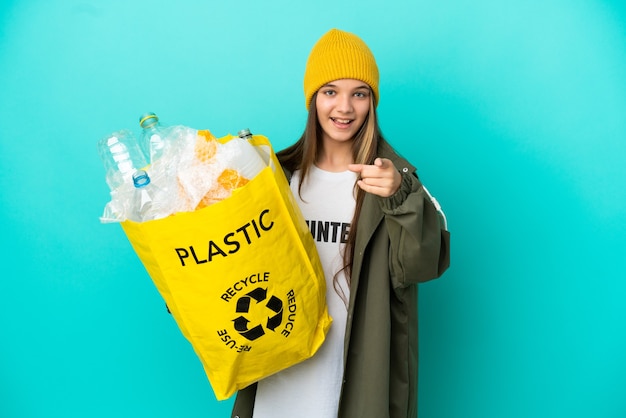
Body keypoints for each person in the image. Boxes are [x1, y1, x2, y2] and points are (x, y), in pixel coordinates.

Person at [231, 28, 450, 418]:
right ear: (313, 99)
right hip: (278, 381)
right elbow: (232, 269)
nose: (344, 107)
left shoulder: (395, 181)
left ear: (372, 102)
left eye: (359, 93)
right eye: (330, 91)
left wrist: (401, 196)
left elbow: (424, 265)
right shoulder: (277, 179)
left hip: (354, 385)